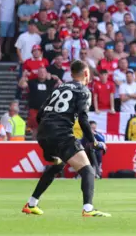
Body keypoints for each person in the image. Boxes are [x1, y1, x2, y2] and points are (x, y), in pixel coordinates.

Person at [21, 60, 110, 217]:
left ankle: (31, 204)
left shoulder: (60, 87)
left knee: (58, 165)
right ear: (87, 73)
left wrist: (46, 132)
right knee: (88, 170)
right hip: (61, 134)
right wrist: (93, 142)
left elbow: (41, 113)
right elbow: (83, 119)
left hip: (43, 133)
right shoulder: (83, 91)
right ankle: (88, 209)